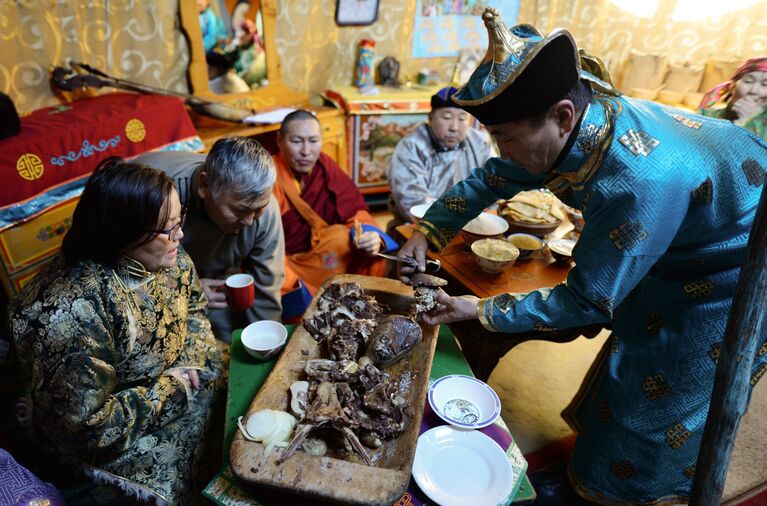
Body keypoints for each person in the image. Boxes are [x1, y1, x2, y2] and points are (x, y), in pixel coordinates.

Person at [398, 8, 767, 504]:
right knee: (627, 356)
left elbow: (587, 301)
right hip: (680, 245)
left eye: (505, 137)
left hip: (736, 270)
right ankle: (591, 473)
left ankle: (627, 492)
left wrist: (479, 309)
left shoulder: (636, 180)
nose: (501, 150)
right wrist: (429, 231)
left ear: (563, 117)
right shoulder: (577, 121)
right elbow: (496, 175)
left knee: (659, 393)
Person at [4, 157, 228, 504]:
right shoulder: (71, 313)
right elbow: (88, 427)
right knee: (186, 474)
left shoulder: (165, 251)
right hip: (106, 426)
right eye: (168, 228)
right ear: (127, 234)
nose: (179, 234)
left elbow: (195, 305)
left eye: (178, 218)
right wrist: (175, 386)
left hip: (179, 373)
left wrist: (191, 360)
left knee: (237, 398)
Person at [136, 137, 285, 342]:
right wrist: (185, 288)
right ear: (205, 185)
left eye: (258, 209)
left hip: (213, 282)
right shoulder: (158, 196)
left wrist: (268, 343)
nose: (250, 222)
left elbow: (266, 289)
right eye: (240, 210)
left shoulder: (265, 211)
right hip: (153, 286)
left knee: (233, 342)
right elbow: (126, 273)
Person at [273, 110, 398, 293]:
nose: (306, 151)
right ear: (280, 140)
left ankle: (358, 302)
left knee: (373, 255)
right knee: (278, 281)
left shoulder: (324, 165)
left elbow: (356, 213)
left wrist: (371, 236)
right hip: (291, 263)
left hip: (328, 256)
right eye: (296, 141)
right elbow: (264, 244)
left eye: (313, 141)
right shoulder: (268, 175)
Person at [387, 86, 496, 227]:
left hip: (475, 224)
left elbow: (495, 182)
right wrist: (464, 213)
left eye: (462, 118)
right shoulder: (411, 146)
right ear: (430, 118)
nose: (454, 127)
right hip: (421, 226)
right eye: (447, 117)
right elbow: (412, 202)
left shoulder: (480, 142)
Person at [697, 57, 767, 140]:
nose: (754, 91)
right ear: (732, 85)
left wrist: (747, 121)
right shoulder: (706, 115)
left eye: (764, 85)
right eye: (748, 81)